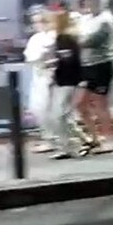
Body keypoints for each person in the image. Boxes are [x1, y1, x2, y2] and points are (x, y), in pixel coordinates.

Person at [76, 0, 113, 155]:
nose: (87, 1)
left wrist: (74, 41)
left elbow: (93, 41)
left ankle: (108, 139)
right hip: (86, 66)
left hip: (102, 65)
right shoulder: (86, 19)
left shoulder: (106, 19)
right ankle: (95, 137)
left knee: (101, 104)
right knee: (80, 104)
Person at [48, 9, 83, 159]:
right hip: (66, 81)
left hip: (66, 81)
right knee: (64, 115)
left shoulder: (65, 38)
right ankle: (74, 143)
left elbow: (68, 60)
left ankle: (73, 144)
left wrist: (53, 61)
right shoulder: (66, 38)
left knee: (60, 115)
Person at [23, 9, 55, 153]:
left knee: (51, 108)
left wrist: (44, 56)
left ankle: (55, 139)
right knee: (39, 108)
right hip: (39, 76)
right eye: (35, 22)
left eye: (41, 21)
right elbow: (30, 56)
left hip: (52, 77)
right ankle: (47, 137)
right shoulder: (35, 38)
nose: (38, 25)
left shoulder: (54, 36)